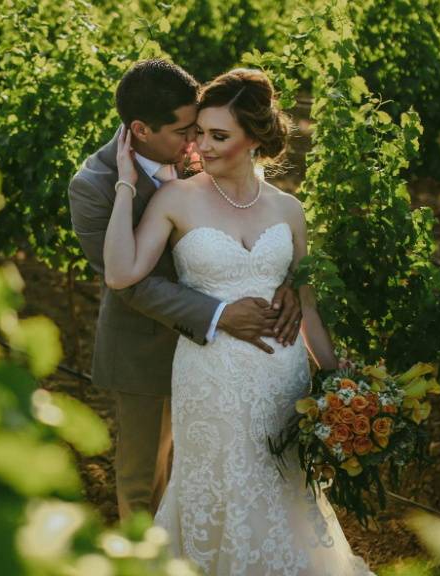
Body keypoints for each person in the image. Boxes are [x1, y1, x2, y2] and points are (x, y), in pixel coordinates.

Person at [103, 67, 375, 575]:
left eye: (217, 136)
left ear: (254, 140)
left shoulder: (289, 209)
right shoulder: (176, 198)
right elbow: (122, 274)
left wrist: (341, 379)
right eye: (199, 133)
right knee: (217, 485)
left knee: (283, 486)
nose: (200, 147)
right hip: (210, 379)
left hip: (281, 374)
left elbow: (306, 305)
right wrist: (123, 185)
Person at [68, 60, 302, 521]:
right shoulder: (93, 187)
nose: (196, 141)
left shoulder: (202, 150)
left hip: (233, 359)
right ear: (141, 129)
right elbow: (132, 285)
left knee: (219, 477)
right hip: (148, 350)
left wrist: (285, 284)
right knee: (145, 483)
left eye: (203, 128)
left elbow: (250, 220)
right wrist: (219, 313)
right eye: (185, 132)